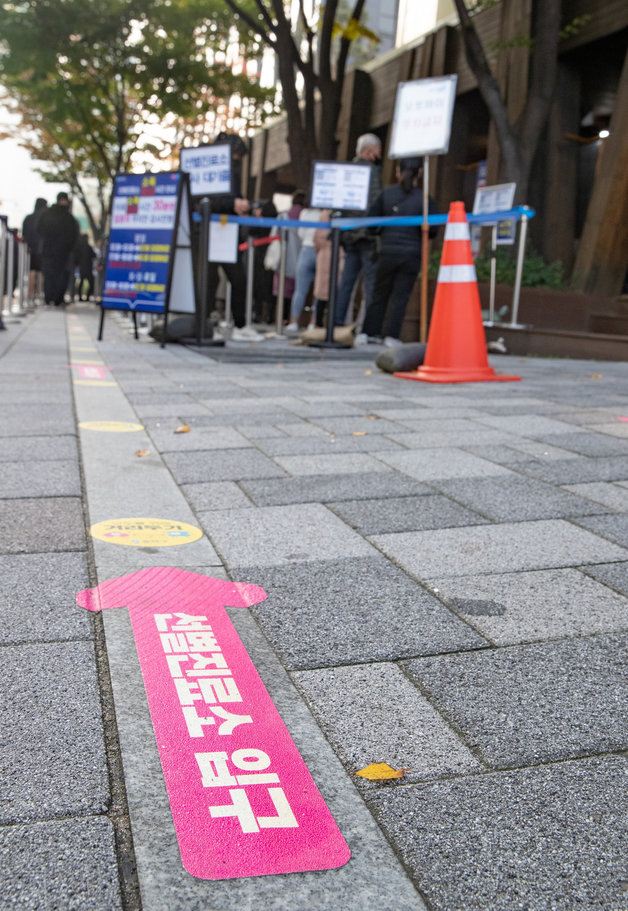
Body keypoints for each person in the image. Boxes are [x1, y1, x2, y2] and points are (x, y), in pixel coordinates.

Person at [355, 158, 437, 348]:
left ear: (398, 172)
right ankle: (392, 335)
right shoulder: (424, 199)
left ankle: (369, 332)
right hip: (411, 254)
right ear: (420, 174)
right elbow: (432, 231)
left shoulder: (387, 194)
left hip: (387, 252)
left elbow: (372, 224)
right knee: (401, 296)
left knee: (379, 294)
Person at [333, 133, 382, 328]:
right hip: (367, 236)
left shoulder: (348, 170)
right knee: (370, 284)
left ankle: (336, 322)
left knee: (346, 282)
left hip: (349, 234)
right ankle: (368, 328)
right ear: (370, 151)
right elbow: (376, 201)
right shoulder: (372, 172)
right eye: (378, 150)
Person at [206, 131, 251, 332]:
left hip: (226, 232)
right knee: (210, 278)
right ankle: (205, 321)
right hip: (211, 231)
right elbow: (205, 200)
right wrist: (233, 203)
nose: (237, 160)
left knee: (236, 279)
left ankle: (239, 324)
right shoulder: (210, 170)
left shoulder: (232, 173)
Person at [284, 201, 322, 334]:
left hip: (306, 249)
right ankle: (313, 322)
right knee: (319, 291)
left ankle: (294, 321)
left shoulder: (305, 212)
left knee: (300, 290)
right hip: (321, 251)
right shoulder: (326, 213)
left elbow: (300, 233)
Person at [37, 191, 79, 306]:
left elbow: (40, 230)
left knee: (49, 276)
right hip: (63, 253)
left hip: (48, 251)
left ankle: (48, 298)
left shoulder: (46, 214)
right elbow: (74, 235)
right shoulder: (69, 217)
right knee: (61, 276)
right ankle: (57, 299)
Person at [310, 209, 344, 329]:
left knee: (321, 292)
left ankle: (317, 323)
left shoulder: (324, 214)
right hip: (340, 253)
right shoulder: (345, 213)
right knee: (336, 290)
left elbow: (317, 238)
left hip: (324, 254)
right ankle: (333, 324)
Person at [250, 198, 278, 324]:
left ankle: (257, 313)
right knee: (271, 288)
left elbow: (249, 232)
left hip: (258, 257)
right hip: (273, 258)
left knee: (258, 288)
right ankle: (270, 316)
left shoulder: (258, 223)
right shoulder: (275, 223)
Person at [22, 197, 47, 301]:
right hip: (42, 250)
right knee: (41, 273)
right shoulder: (45, 218)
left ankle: (30, 294)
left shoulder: (28, 218)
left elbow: (24, 234)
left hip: (30, 249)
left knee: (31, 272)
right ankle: (40, 294)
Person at [75, 233, 96, 301]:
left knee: (82, 282)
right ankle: (87, 297)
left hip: (82, 268)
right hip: (88, 268)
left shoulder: (80, 248)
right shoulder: (88, 247)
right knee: (90, 283)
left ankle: (80, 297)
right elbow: (94, 255)